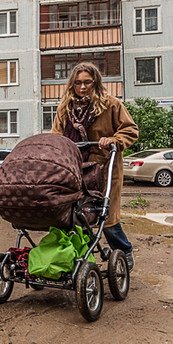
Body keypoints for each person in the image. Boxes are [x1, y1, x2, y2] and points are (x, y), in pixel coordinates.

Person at [50, 61, 139, 271]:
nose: (82, 87)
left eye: (87, 83)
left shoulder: (111, 105)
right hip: (75, 169)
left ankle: (124, 250)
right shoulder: (66, 109)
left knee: (105, 217)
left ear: (96, 83)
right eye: (78, 83)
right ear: (72, 84)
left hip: (104, 168)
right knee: (79, 216)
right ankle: (83, 259)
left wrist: (113, 139)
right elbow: (56, 135)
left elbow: (130, 130)